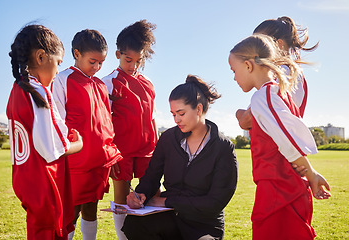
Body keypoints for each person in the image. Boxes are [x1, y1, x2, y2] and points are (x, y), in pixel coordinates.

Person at [228, 34, 331, 240]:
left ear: (248, 66)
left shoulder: (263, 97)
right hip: (282, 188)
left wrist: (311, 174)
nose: (234, 78)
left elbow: (288, 140)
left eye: (234, 70)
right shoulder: (277, 93)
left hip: (279, 191)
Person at [122, 75, 238, 240]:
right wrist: (140, 195)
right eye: (173, 114)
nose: (176, 120)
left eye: (181, 113)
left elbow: (215, 203)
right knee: (134, 224)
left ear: (198, 109)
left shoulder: (223, 147)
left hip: (203, 224)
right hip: (169, 217)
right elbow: (151, 177)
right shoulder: (168, 139)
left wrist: (169, 201)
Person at [7, 24, 83, 239]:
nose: (58, 70)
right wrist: (78, 144)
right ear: (41, 57)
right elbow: (51, 148)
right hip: (44, 180)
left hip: (25, 178)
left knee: (39, 229)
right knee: (50, 232)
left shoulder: (17, 89)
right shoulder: (37, 91)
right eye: (58, 62)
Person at [51, 29, 123, 240]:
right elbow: (57, 120)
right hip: (75, 163)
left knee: (91, 209)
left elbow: (106, 124)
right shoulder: (62, 79)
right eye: (92, 61)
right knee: (70, 213)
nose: (97, 67)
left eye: (101, 63)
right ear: (76, 53)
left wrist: (111, 153)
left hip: (98, 162)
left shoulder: (100, 85)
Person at [101, 19, 158, 239]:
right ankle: (122, 237)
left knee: (151, 196)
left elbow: (152, 118)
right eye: (128, 59)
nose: (133, 65)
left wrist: (158, 147)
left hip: (147, 150)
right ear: (117, 55)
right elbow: (104, 122)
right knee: (122, 197)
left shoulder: (148, 83)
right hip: (121, 151)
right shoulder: (108, 82)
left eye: (138, 60)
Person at [236, 16, 318, 130]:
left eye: (260, 44)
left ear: (279, 45)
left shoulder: (287, 73)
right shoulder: (283, 74)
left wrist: (241, 115)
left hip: (277, 147)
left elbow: (247, 120)